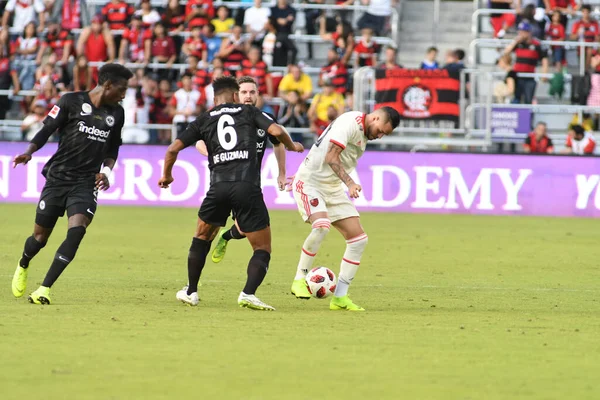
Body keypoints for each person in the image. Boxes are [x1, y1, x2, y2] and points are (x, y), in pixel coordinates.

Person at [158, 76, 303, 310]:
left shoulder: (205, 119)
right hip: (247, 185)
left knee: (201, 237)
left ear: (214, 98)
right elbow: (276, 131)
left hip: (218, 186)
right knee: (262, 248)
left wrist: (167, 175)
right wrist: (292, 145)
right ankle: (248, 293)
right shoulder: (247, 113)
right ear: (236, 95)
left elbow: (174, 148)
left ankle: (191, 291)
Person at [11, 63, 132, 305]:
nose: (124, 94)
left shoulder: (117, 113)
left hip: (86, 182)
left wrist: (106, 171)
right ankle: (24, 263)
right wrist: (29, 151)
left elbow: (113, 148)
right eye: (122, 88)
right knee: (39, 238)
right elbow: (47, 130)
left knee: (77, 231)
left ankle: (44, 288)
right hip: (58, 179)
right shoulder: (70, 101)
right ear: (107, 85)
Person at [289, 106, 400, 311]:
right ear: (375, 117)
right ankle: (299, 279)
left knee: (359, 240)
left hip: (331, 188)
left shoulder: (364, 132)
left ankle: (340, 297)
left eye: (385, 134)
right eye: (381, 130)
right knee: (321, 226)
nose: (380, 136)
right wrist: (350, 183)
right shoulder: (349, 123)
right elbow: (331, 157)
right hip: (310, 183)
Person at [207, 76, 288, 263]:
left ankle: (226, 237)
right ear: (236, 95)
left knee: (244, 229)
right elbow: (200, 144)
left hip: (250, 183)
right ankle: (193, 278)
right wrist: (214, 155)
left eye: (252, 92)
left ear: (258, 94)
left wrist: (281, 173)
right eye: (244, 92)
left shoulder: (265, 120)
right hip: (222, 180)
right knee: (208, 228)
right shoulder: (223, 118)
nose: (248, 96)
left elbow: (278, 144)